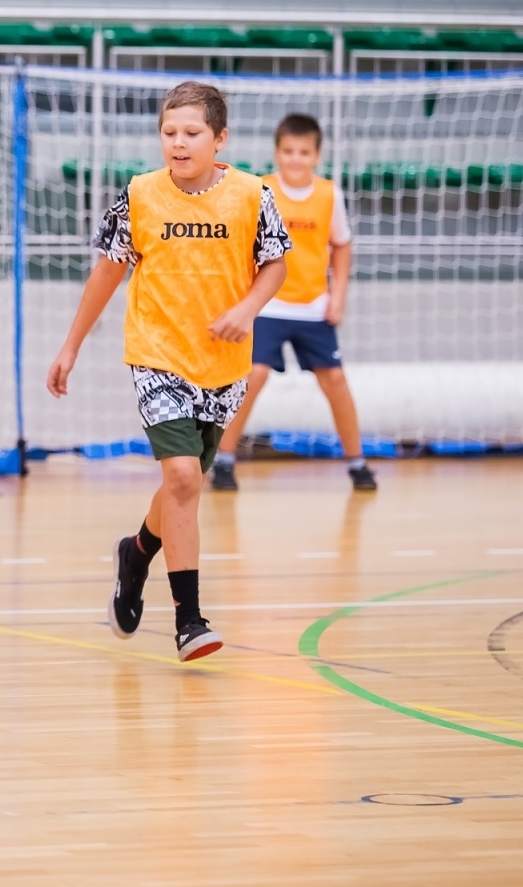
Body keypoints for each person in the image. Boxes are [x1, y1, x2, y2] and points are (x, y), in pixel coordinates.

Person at [46, 81, 290, 662]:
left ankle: (136, 554)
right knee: (182, 478)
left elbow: (275, 264)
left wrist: (246, 308)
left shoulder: (253, 195)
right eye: (169, 133)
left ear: (219, 138)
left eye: (191, 133)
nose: (177, 144)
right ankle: (190, 620)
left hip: (224, 364)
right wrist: (71, 346)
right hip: (157, 355)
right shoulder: (138, 196)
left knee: (183, 485)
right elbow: (106, 274)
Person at [213, 113, 377, 492]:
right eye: (288, 151)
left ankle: (358, 463)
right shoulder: (260, 191)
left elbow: (342, 244)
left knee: (335, 380)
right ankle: (223, 460)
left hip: (313, 306)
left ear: (316, 156)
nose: (295, 159)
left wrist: (337, 297)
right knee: (253, 377)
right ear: (277, 153)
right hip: (269, 305)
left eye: (304, 152)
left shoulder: (328, 195)